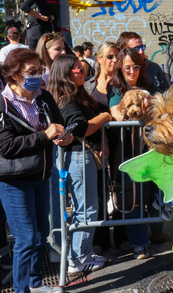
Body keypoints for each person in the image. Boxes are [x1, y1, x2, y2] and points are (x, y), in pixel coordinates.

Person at [0, 47, 72, 293]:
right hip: (14, 181)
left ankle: (35, 283)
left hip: (42, 175)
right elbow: (5, 146)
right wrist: (44, 136)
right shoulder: (3, 103)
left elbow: (57, 124)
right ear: (14, 76)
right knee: (26, 239)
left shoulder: (43, 97)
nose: (38, 76)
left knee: (41, 234)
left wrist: (63, 136)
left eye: (39, 70)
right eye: (31, 72)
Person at [47, 55, 112, 274]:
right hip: (77, 157)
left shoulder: (72, 96)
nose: (83, 71)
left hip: (79, 157)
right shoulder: (66, 100)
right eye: (77, 69)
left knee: (84, 207)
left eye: (82, 68)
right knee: (86, 208)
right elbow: (82, 128)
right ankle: (78, 259)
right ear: (65, 73)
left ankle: (79, 253)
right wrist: (105, 116)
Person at [108, 47, 162, 258]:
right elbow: (116, 112)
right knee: (133, 196)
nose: (132, 71)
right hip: (127, 150)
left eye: (136, 67)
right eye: (128, 67)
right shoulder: (115, 88)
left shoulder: (150, 86)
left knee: (156, 191)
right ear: (121, 68)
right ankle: (139, 243)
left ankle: (160, 229)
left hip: (151, 149)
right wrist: (128, 114)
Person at [83, 42, 120, 252]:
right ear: (99, 59)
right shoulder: (88, 85)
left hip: (120, 142)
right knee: (98, 190)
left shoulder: (119, 85)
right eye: (110, 57)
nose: (114, 61)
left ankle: (123, 236)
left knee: (120, 187)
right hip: (96, 144)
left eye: (116, 57)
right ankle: (101, 239)